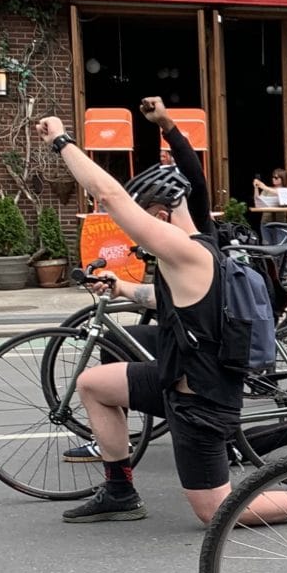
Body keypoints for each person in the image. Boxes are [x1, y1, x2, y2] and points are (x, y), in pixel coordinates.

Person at [38, 113, 248, 525]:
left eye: (143, 219)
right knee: (94, 384)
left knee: (217, 514)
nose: (139, 234)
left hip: (199, 403)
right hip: (175, 381)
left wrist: (62, 141)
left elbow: (109, 195)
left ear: (161, 216)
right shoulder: (195, 249)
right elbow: (172, 300)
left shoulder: (184, 250)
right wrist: (122, 289)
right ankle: (120, 491)